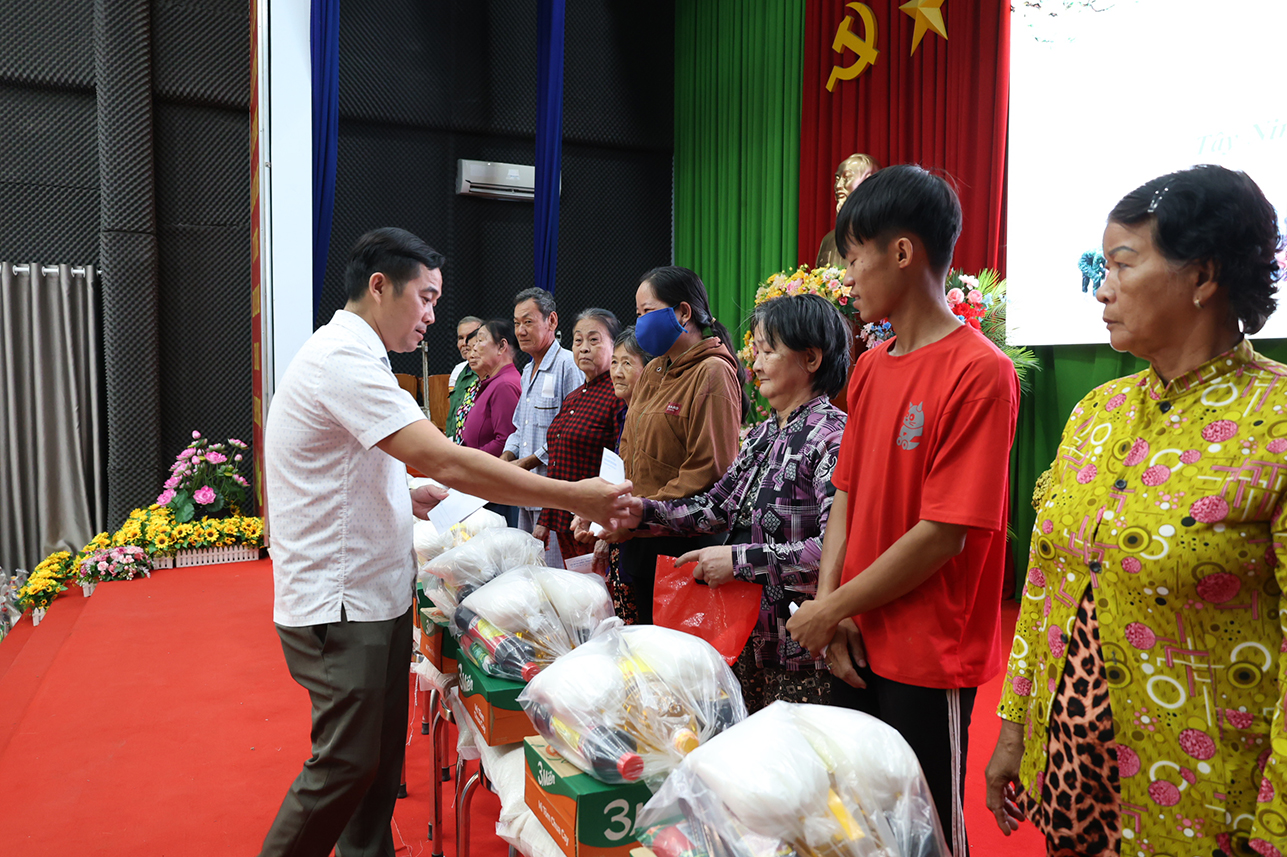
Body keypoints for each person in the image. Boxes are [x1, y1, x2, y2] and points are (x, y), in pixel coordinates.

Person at [259, 227, 632, 857]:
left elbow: (346, 465)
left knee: (376, 767)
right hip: (341, 601)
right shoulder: (342, 358)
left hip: (371, 594)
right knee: (346, 765)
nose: (433, 316)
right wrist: (576, 496)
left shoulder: (363, 354)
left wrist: (404, 492)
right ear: (380, 287)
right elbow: (448, 458)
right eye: (426, 298)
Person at [984, 166, 1287, 857]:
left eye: (1122, 263)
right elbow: (1044, 585)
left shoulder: (1275, 419)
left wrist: (1276, 828)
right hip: (1073, 779)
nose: (1102, 287)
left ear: (1202, 275)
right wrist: (1014, 731)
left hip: (1211, 805)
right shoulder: (1097, 412)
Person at [785, 165, 1019, 857]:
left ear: (903, 252)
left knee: (927, 832)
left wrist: (831, 607)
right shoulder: (870, 367)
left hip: (926, 652)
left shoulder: (980, 370)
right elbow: (846, 496)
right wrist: (833, 609)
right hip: (854, 635)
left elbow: (942, 535)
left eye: (853, 257)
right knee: (860, 824)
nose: (846, 277)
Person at [616, 294, 849, 712]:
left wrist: (737, 561)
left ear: (811, 359)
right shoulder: (762, 435)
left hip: (800, 651)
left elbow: (834, 551)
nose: (755, 364)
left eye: (768, 351)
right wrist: (641, 513)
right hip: (742, 637)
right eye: (755, 351)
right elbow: (714, 507)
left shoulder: (832, 437)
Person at [578, 265, 750, 625]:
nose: (640, 323)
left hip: (681, 544)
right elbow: (630, 449)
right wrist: (609, 507)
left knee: (675, 652)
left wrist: (640, 514)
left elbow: (709, 472)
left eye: (647, 312)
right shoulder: (655, 369)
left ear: (683, 312)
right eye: (637, 313)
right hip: (640, 536)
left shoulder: (713, 372)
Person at [535, 308, 626, 564]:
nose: (584, 348)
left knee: (599, 588)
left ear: (615, 346)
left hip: (595, 525)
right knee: (576, 588)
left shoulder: (618, 396)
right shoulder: (574, 397)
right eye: (578, 340)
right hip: (565, 520)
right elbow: (557, 463)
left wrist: (605, 528)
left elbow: (623, 465)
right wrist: (545, 519)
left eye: (594, 340)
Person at [502, 288, 584, 560]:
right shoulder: (527, 371)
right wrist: (505, 459)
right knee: (529, 571)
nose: (520, 331)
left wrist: (526, 463)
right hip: (525, 493)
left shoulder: (568, 365)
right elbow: (519, 428)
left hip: (554, 498)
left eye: (528, 322)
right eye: (517, 323)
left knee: (554, 573)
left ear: (552, 321)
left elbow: (571, 433)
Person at [595, 327, 652, 618]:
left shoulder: (651, 419)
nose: (616, 372)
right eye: (614, 362)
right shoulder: (623, 414)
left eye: (627, 363)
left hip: (644, 533)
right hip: (620, 534)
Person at [459, 320, 522, 457]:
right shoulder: (494, 382)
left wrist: (466, 460)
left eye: (480, 340)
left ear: (501, 346)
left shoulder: (504, 385)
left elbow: (505, 442)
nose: (474, 348)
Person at [815, 153, 880, 269]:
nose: (838, 186)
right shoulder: (829, 240)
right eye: (837, 179)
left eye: (847, 177)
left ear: (869, 182)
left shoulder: (883, 236)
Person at [445, 315, 483, 443]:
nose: (465, 343)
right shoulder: (457, 371)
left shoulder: (491, 371)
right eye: (461, 338)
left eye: (471, 337)